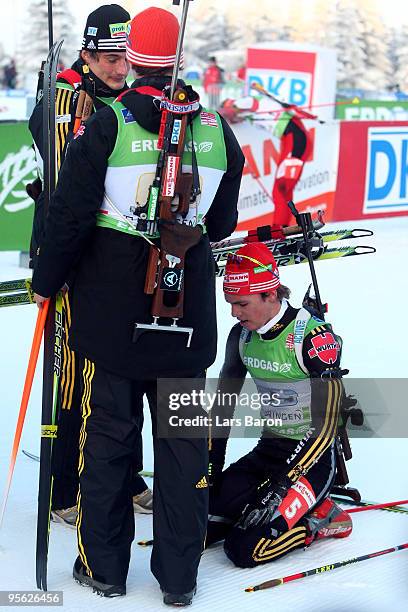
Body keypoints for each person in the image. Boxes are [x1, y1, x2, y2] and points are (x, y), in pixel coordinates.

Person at [31, 5, 244, 606]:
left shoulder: (110, 122)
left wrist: (46, 280)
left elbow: (69, 216)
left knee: (109, 445)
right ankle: (179, 581)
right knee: (183, 453)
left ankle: (105, 571)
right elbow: (223, 220)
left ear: (134, 58)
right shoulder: (216, 126)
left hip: (114, 317)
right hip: (185, 317)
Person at [28, 4, 152, 529]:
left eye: (125, 57)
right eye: (107, 58)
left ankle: (128, 474)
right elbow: (64, 189)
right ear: (86, 51)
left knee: (126, 368)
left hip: (124, 257)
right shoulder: (64, 96)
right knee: (76, 374)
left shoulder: (130, 95)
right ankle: (64, 485)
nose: (119, 68)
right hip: (77, 256)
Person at [206, 242, 352, 567]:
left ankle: (321, 519)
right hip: (270, 450)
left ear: (270, 295)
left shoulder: (312, 339)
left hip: (312, 461)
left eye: (241, 304)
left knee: (245, 549)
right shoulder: (241, 336)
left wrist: (284, 482)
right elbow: (223, 407)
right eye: (230, 303)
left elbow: (326, 427)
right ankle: (258, 504)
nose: (234, 312)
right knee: (203, 516)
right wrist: (211, 469)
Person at [218, 95, 313, 226]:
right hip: (291, 140)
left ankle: (279, 228)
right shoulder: (248, 114)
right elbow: (235, 117)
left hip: (295, 139)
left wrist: (223, 112)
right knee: (283, 189)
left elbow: (247, 103)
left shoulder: (242, 102)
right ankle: (283, 226)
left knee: (281, 188)